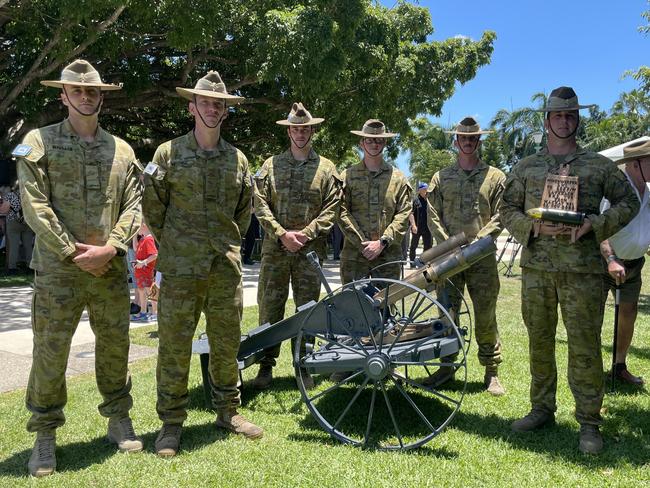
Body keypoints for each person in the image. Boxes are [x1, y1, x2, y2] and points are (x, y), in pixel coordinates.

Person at [13, 59, 144, 477]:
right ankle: (44, 436)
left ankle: (118, 420)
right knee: (51, 353)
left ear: (101, 96)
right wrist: (73, 253)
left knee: (114, 348)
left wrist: (111, 249)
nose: (85, 97)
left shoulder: (122, 150)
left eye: (92, 91)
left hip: (108, 270)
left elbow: (133, 205)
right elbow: (34, 206)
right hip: (58, 271)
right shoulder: (38, 142)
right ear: (63, 95)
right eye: (77, 91)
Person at [500, 86, 639, 454]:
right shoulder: (526, 167)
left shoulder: (597, 165)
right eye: (558, 115)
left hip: (583, 274)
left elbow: (630, 201)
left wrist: (597, 224)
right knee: (539, 343)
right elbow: (507, 209)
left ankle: (590, 423)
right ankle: (541, 409)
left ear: (578, 120)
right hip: (537, 272)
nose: (564, 120)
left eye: (570, 115)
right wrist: (533, 228)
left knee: (585, 348)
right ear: (546, 121)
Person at [143, 71, 262, 457]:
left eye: (219, 103)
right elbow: (153, 208)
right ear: (192, 107)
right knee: (175, 347)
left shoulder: (238, 159)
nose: (212, 108)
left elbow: (244, 213)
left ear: (226, 111)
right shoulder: (168, 153)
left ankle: (228, 411)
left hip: (224, 270)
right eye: (206, 102)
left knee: (227, 343)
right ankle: (171, 424)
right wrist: (177, 244)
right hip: (179, 269)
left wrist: (224, 244)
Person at [252, 102, 340, 390]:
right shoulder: (271, 165)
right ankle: (265, 367)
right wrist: (281, 234)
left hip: (309, 251)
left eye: (305, 129)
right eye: (295, 129)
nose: (300, 133)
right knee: (270, 306)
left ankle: (304, 366)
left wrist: (305, 233)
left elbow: (332, 208)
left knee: (308, 309)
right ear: (288, 131)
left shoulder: (326, 168)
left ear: (312, 130)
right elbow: (260, 203)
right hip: (275, 250)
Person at [425, 117, 506, 396]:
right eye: (463, 138)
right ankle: (447, 366)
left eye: (473, 138)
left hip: (481, 258)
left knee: (485, 314)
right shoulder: (441, 177)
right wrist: (447, 243)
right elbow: (432, 213)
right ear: (456, 141)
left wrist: (481, 241)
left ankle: (491, 372)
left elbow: (501, 213)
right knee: (447, 312)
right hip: (448, 258)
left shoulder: (495, 177)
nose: (468, 142)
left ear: (478, 142)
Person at [599, 139, 650, 386]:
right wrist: (611, 259)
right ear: (635, 163)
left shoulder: (648, 193)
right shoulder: (617, 192)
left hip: (634, 264)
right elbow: (600, 229)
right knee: (593, 316)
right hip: (605, 263)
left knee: (628, 314)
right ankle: (589, 370)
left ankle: (619, 366)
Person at [338, 119, 412, 283]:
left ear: (385, 142)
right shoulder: (347, 176)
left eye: (378, 140)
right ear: (361, 143)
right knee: (352, 306)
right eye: (369, 140)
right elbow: (341, 212)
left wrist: (382, 242)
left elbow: (404, 214)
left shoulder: (398, 178)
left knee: (385, 307)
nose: (374, 144)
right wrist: (362, 243)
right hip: (354, 257)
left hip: (388, 257)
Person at [4, 182, 35, 274]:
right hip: (27, 222)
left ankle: (12, 268)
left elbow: (4, 210)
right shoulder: (29, 195)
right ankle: (30, 267)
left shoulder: (10, 195)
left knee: (14, 246)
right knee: (28, 246)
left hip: (13, 222)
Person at [132, 222, 157, 321]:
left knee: (149, 291)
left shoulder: (149, 239)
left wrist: (143, 262)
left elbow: (155, 255)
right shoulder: (143, 239)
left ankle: (155, 313)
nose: (136, 229)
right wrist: (134, 236)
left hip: (147, 272)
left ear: (144, 225)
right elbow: (135, 248)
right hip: (140, 272)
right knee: (142, 291)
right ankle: (143, 311)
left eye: (137, 227)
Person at [408, 182, 433, 267]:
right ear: (419, 191)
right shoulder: (415, 201)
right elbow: (411, 214)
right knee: (413, 246)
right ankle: (412, 263)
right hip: (417, 227)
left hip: (428, 227)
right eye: (424, 189)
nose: (426, 191)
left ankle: (424, 263)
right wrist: (413, 225)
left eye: (427, 189)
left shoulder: (431, 200)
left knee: (428, 246)